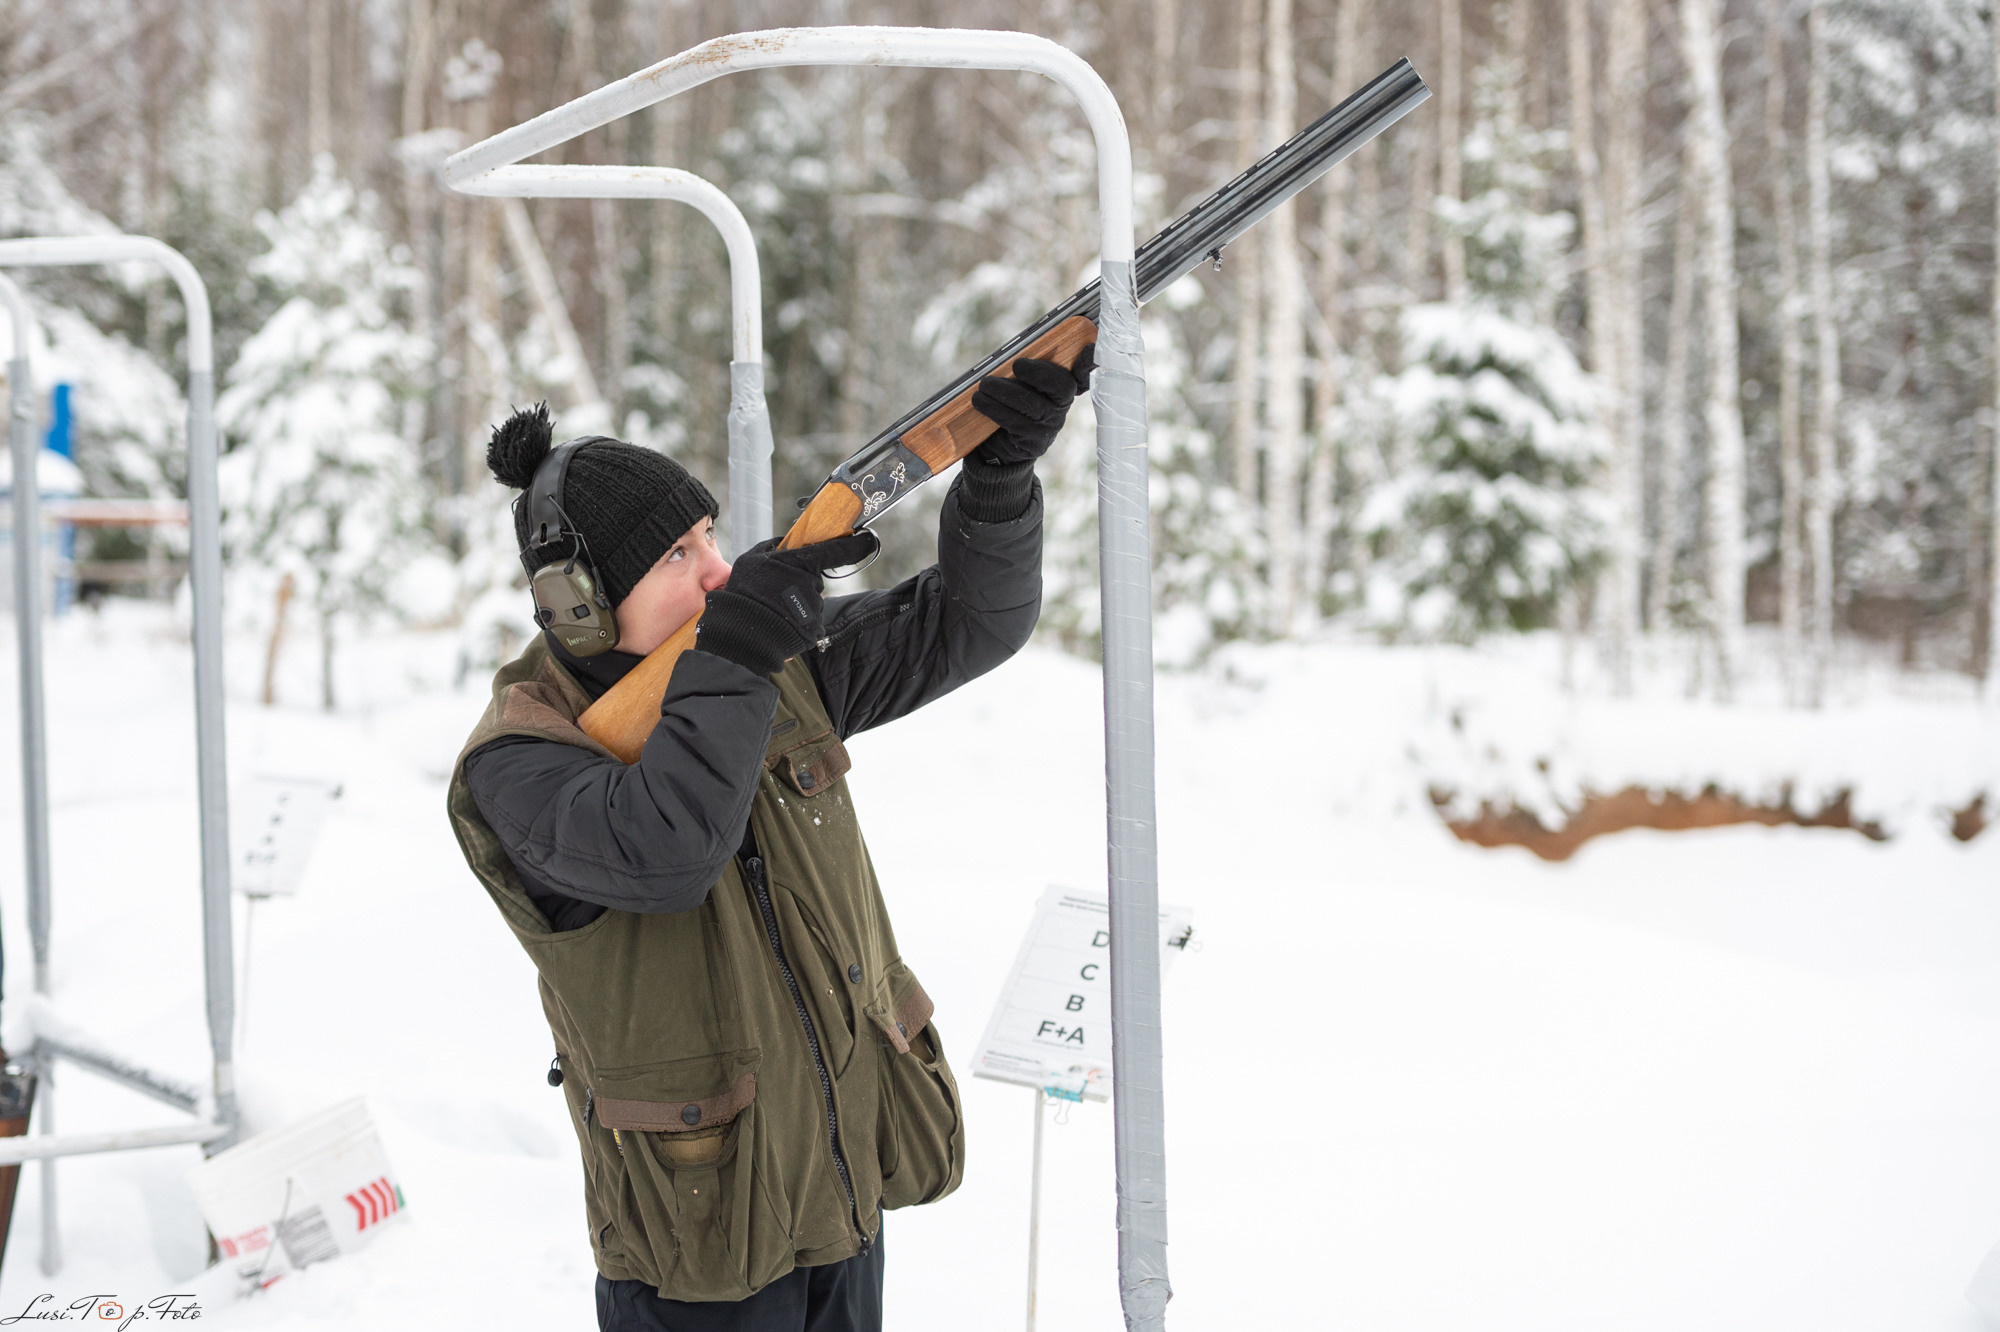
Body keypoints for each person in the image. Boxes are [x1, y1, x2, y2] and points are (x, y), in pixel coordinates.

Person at [446, 350, 1093, 1332]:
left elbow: (972, 623)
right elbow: (668, 849)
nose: (716, 569)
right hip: (701, 1252)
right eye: (675, 557)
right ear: (575, 601)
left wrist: (995, 484)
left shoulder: (758, 665)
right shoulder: (517, 764)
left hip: (840, 1194)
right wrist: (737, 647)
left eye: (708, 537)